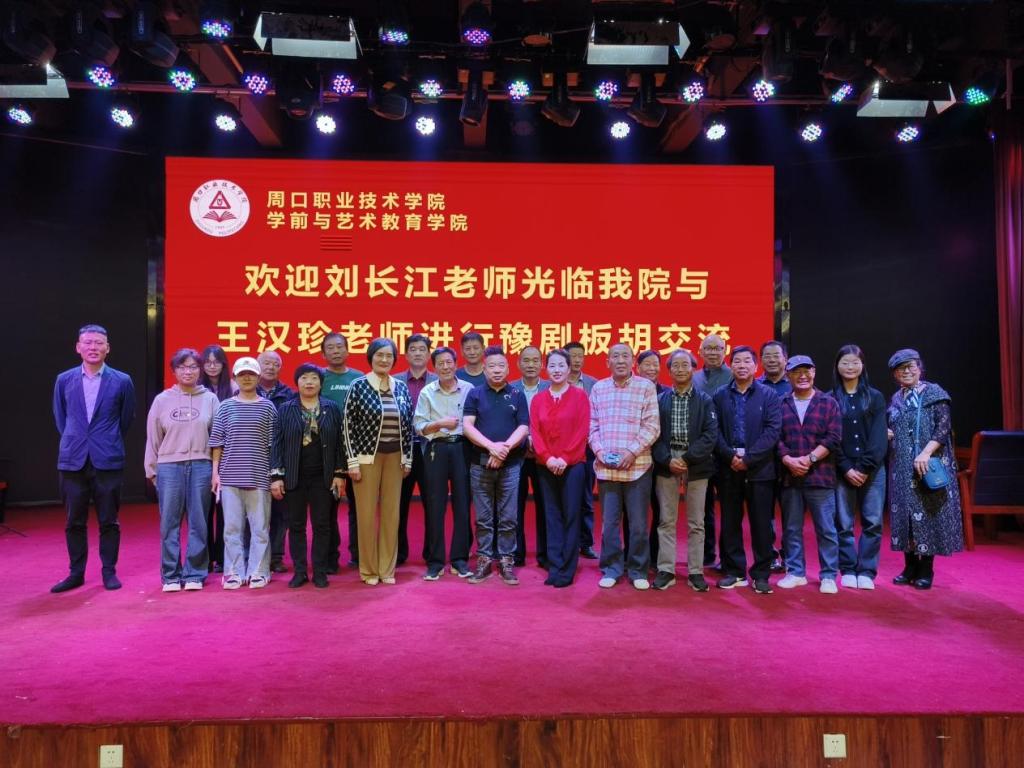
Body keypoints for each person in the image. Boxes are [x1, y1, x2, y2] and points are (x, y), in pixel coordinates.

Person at [51, 324, 136, 593]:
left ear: (107, 348)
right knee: (73, 521)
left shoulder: (122, 381)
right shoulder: (64, 380)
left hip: (107, 458)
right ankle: (75, 573)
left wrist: (104, 440)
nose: (93, 347)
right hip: (72, 459)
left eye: (99, 343)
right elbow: (61, 418)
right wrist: (77, 440)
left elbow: (125, 419)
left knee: (109, 520)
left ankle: (109, 571)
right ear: (78, 347)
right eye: (88, 342)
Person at [886, 349, 963, 589]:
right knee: (906, 515)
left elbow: (943, 427)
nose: (906, 371)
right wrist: (888, 433)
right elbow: (896, 427)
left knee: (928, 514)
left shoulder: (934, 393)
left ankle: (926, 568)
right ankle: (909, 566)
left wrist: (926, 453)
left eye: (911, 366)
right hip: (902, 466)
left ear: (920, 368)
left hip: (928, 462)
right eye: (900, 368)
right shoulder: (896, 399)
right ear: (894, 374)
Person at [144, 348, 219, 592]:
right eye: (182, 367)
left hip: (201, 466)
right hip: (169, 467)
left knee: (199, 522)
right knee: (169, 524)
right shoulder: (162, 400)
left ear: (200, 370)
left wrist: (216, 470)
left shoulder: (210, 399)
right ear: (174, 371)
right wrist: (152, 470)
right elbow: (153, 437)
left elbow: (218, 438)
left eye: (193, 367)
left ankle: (195, 573)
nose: (188, 371)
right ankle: (171, 576)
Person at [589, 343, 660, 591]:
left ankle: (638, 569)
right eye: (615, 356)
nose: (620, 360)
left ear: (632, 361)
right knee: (609, 524)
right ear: (607, 362)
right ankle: (611, 568)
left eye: (625, 356)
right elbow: (592, 426)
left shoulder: (645, 387)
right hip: (607, 469)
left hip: (637, 466)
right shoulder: (598, 388)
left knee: (638, 524)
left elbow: (652, 426)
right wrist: (599, 451)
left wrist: (632, 452)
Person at [344, 338, 414, 586]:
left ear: (394, 360)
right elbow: (347, 426)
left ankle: (387, 568)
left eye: (389, 356)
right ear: (371, 357)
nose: (384, 360)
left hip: (395, 458)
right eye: (379, 355)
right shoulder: (358, 386)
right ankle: (368, 570)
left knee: (391, 515)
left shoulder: (401, 387)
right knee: (365, 516)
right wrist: (352, 462)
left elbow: (408, 425)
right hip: (366, 459)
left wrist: (407, 458)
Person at [270, 364, 346, 589]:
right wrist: (276, 476)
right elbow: (277, 443)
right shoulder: (286, 409)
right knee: (296, 525)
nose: (309, 382)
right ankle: (300, 571)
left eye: (314, 378)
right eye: (304, 378)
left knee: (322, 524)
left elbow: (340, 443)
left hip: (323, 477)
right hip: (294, 476)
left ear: (321, 383)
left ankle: (320, 571)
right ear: (297, 382)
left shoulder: (332, 408)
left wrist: (339, 473)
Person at [712, 346, 781, 594]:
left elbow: (773, 430)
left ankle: (761, 574)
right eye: (737, 361)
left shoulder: (768, 395)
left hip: (760, 469)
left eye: (747, 362)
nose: (742, 366)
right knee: (730, 521)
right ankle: (735, 571)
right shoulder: (720, 395)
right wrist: (730, 456)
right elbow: (714, 430)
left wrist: (749, 459)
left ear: (755, 366)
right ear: (730, 366)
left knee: (761, 523)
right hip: (728, 467)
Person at [650, 350, 718, 592]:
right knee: (666, 520)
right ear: (669, 371)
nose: (680, 369)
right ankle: (666, 569)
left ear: (693, 368)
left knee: (696, 521)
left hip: (696, 465)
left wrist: (687, 459)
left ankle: (695, 571)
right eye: (675, 365)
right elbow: (654, 435)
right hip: (667, 464)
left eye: (685, 365)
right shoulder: (660, 400)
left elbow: (710, 435)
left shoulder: (705, 400)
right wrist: (668, 459)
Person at [462, 346, 530, 585]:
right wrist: (492, 447)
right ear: (484, 369)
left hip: (510, 466)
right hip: (480, 465)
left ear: (508, 369)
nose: (497, 370)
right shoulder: (475, 394)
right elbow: (467, 426)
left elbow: (523, 427)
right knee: (483, 517)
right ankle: (484, 560)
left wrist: (504, 450)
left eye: (501, 366)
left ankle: (506, 560)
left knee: (508, 517)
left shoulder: (518, 394)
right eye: (492, 366)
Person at [210, 357, 279, 589]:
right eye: (242, 374)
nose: (247, 378)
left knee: (260, 529)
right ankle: (233, 572)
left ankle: (259, 571)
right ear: (235, 378)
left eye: (251, 374)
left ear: (258, 377)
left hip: (260, 477)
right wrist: (215, 474)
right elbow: (217, 443)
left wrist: (274, 475)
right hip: (230, 478)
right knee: (231, 529)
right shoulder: (225, 407)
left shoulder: (268, 407)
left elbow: (273, 444)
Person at [776, 355, 842, 594]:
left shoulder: (828, 402)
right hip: (790, 475)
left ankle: (828, 576)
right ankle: (795, 572)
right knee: (791, 528)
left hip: (820, 475)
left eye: (806, 371)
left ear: (813, 372)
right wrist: (788, 460)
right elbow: (775, 437)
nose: (802, 376)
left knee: (826, 529)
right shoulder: (780, 403)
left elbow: (833, 437)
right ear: (788, 376)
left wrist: (810, 458)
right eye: (796, 372)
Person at [529, 349, 590, 588]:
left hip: (572, 466)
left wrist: (564, 458)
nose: (556, 370)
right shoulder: (538, 399)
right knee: (551, 516)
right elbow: (535, 432)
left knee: (571, 516)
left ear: (569, 368)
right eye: (552, 365)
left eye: (561, 365)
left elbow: (582, 431)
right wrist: (547, 458)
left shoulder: (579, 396)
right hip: (545, 466)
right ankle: (554, 566)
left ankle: (567, 568)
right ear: (546, 369)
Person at [414, 346, 474, 580]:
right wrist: (439, 424)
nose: (446, 367)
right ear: (435, 367)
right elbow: (419, 426)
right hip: (436, 449)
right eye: (441, 363)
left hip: (462, 448)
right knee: (435, 505)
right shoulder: (427, 392)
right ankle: (435, 561)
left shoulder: (468, 389)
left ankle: (460, 559)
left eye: (449, 362)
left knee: (462, 504)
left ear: (456, 364)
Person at [833, 345, 888, 590]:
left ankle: (866, 570)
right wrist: (846, 467)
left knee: (873, 522)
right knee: (843, 523)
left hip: (872, 470)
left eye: (855, 362)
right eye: (845, 362)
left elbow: (879, 437)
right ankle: (847, 568)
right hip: (842, 469)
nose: (850, 367)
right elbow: (831, 438)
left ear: (862, 365)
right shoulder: (831, 398)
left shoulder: (875, 397)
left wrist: (865, 467)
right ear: (837, 366)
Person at [321, 332, 363, 572]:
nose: (336, 351)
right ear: (323, 353)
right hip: (327, 451)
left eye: (339, 347)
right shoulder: (318, 378)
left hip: (356, 449)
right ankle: (330, 557)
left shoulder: (359, 378)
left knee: (359, 507)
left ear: (347, 350)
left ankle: (359, 555)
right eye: (330, 348)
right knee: (328, 507)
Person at [394, 334, 436, 566]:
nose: (418, 353)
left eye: (422, 349)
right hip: (402, 450)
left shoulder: (439, 381)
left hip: (430, 450)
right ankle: (398, 553)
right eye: (413, 349)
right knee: (398, 504)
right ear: (406, 354)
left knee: (432, 503)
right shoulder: (394, 382)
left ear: (429, 355)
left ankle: (432, 553)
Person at [693, 333, 733, 568]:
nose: (713, 352)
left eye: (717, 348)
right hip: (702, 453)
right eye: (708, 348)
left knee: (729, 508)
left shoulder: (733, 375)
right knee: (703, 508)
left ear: (725, 351)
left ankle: (728, 559)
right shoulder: (694, 378)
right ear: (700, 352)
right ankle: (706, 556)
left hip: (726, 452)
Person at [510, 345, 550, 568]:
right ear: (518, 364)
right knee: (515, 507)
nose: (531, 365)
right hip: (516, 456)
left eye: (535, 360)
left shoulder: (551, 388)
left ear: (542, 364)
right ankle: (517, 553)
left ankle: (545, 554)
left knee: (545, 506)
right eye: (526, 360)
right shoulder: (511, 389)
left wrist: (539, 442)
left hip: (544, 458)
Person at [198, 344, 236, 574]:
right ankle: (205, 557)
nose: (212, 366)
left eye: (216, 362)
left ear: (224, 364)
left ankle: (222, 556)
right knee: (203, 510)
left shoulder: (233, 388)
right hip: (202, 456)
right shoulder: (195, 389)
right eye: (208, 362)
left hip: (228, 457)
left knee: (225, 510)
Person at [257, 350, 295, 574]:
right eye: (266, 363)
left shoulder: (289, 395)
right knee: (256, 511)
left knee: (281, 513)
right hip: (255, 458)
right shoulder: (247, 391)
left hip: (281, 459)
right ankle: (256, 555)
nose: (270, 367)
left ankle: (276, 557)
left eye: (275, 364)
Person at [630, 349, 666, 567]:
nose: (652, 368)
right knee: (632, 512)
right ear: (637, 367)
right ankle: (631, 555)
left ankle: (655, 554)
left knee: (660, 510)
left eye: (655, 364)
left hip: (661, 461)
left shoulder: (667, 393)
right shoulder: (630, 391)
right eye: (647, 364)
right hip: (635, 460)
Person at [758, 340, 791, 574]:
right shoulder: (756, 386)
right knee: (764, 512)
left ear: (785, 359)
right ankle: (768, 555)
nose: (771, 360)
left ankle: (790, 556)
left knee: (790, 512)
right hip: (764, 459)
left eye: (775, 356)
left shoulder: (795, 385)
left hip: (790, 458)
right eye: (766, 356)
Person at [564, 340, 598, 560]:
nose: (576, 360)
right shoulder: (556, 382)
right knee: (565, 498)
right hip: (562, 449)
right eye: (572, 356)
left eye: (580, 356)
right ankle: (566, 541)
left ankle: (586, 542)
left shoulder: (594, 384)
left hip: (587, 449)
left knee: (586, 497)